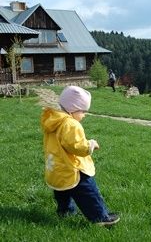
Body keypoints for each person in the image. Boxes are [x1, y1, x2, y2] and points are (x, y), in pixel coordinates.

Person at [41, 85, 120, 226]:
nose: (84, 115)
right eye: (83, 111)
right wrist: (90, 144)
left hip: (56, 167)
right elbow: (77, 146)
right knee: (88, 191)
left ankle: (65, 212)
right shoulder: (71, 124)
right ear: (73, 109)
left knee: (62, 191)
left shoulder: (53, 120)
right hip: (73, 168)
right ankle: (100, 217)